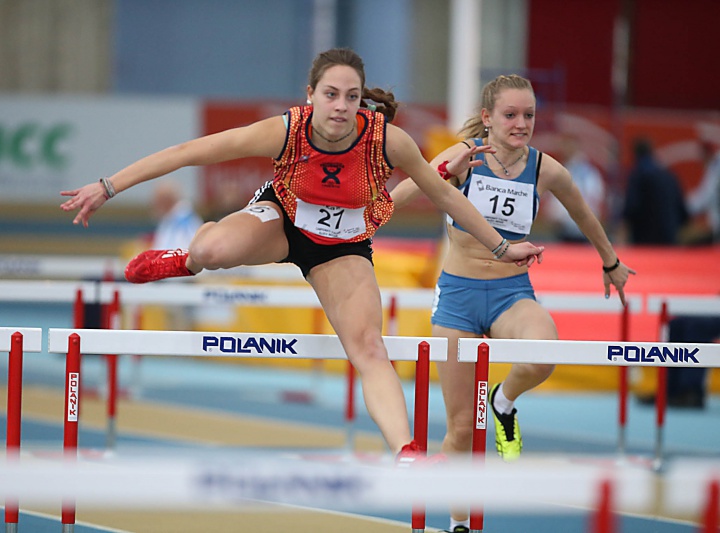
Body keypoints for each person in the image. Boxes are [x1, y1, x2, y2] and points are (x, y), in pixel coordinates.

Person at [60, 48, 544, 462]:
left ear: (361, 100)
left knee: (369, 348)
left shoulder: (386, 140)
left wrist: (501, 246)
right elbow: (189, 151)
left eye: (351, 96)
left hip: (341, 248)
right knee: (213, 248)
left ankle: (406, 453)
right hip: (283, 221)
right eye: (330, 94)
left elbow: (446, 196)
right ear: (310, 94)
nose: (340, 106)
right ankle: (189, 257)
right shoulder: (285, 131)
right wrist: (109, 186)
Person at [389, 74, 633, 533]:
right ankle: (459, 522)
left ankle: (503, 400)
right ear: (487, 117)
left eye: (529, 115)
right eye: (510, 115)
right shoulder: (463, 157)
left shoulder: (544, 169)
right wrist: (443, 171)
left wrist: (610, 261)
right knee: (462, 427)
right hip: (458, 297)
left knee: (544, 353)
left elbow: (582, 211)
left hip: (511, 294)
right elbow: (399, 197)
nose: (521, 124)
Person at [620, 137, 689, 245]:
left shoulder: (638, 175)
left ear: (634, 154)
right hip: (670, 237)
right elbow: (682, 209)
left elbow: (631, 207)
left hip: (645, 241)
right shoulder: (669, 175)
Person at [545, 132, 605, 242]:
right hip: (562, 228)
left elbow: (593, 197)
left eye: (568, 145)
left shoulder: (587, 172)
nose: (565, 149)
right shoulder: (561, 168)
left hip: (580, 228)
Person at [149, 179, 204, 250]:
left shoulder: (185, 221)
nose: (154, 204)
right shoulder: (168, 219)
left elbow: (186, 249)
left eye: (156, 200)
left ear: (166, 200)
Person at [687, 140, 720, 244]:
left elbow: (706, 196)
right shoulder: (714, 167)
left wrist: (684, 207)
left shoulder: (716, 168)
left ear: (707, 154)